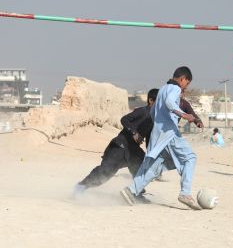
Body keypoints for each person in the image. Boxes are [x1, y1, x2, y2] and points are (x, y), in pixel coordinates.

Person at [120, 66, 201, 210]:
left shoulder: (163, 88)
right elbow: (170, 103)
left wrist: (158, 126)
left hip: (159, 134)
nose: (185, 87)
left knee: (154, 167)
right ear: (182, 79)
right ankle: (185, 193)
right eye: (187, 84)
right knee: (190, 157)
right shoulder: (175, 89)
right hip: (169, 133)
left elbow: (153, 113)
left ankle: (130, 191)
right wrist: (182, 115)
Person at [74, 88, 159, 203]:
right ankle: (81, 186)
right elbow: (124, 119)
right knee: (105, 172)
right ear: (151, 101)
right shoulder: (143, 111)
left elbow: (149, 137)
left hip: (133, 150)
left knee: (140, 166)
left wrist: (151, 152)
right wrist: (134, 132)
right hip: (120, 146)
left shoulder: (154, 119)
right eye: (160, 101)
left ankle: (136, 192)